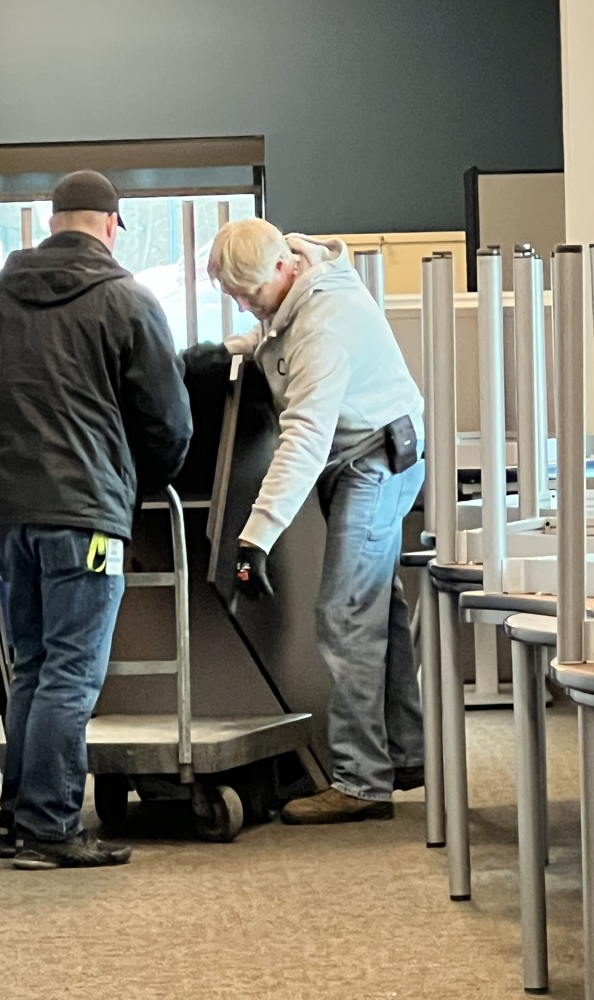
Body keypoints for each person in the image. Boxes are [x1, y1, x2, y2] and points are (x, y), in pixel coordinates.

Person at [0, 170, 193, 868]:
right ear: (111, 225)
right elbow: (170, 424)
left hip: (9, 514)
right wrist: (133, 482)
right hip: (87, 515)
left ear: (52, 222)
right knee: (72, 674)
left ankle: (17, 821)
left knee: (31, 667)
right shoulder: (127, 302)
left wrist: (3, 467)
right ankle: (50, 828)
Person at [196, 218, 425, 824]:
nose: (246, 304)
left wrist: (255, 538)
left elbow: (303, 439)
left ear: (280, 269)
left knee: (346, 612)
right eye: (234, 297)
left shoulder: (327, 320)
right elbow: (276, 337)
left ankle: (362, 782)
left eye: (248, 294)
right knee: (378, 607)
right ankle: (406, 752)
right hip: (364, 452)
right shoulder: (294, 279)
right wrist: (231, 348)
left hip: (374, 458)